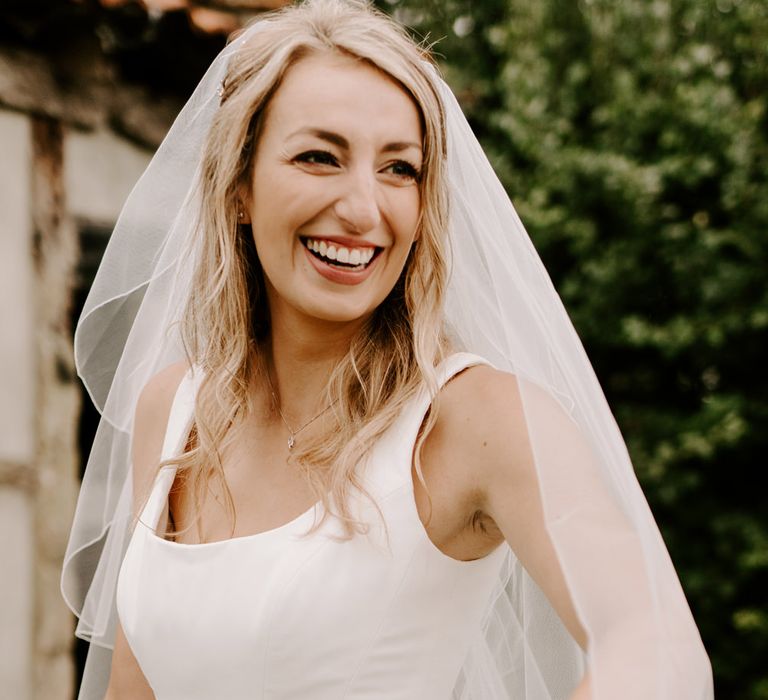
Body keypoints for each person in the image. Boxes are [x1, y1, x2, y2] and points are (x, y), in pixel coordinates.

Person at [62, 1, 714, 698]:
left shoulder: (475, 419)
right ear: (241, 185)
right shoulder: (174, 408)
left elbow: (657, 651)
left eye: (400, 169)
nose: (364, 208)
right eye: (320, 157)